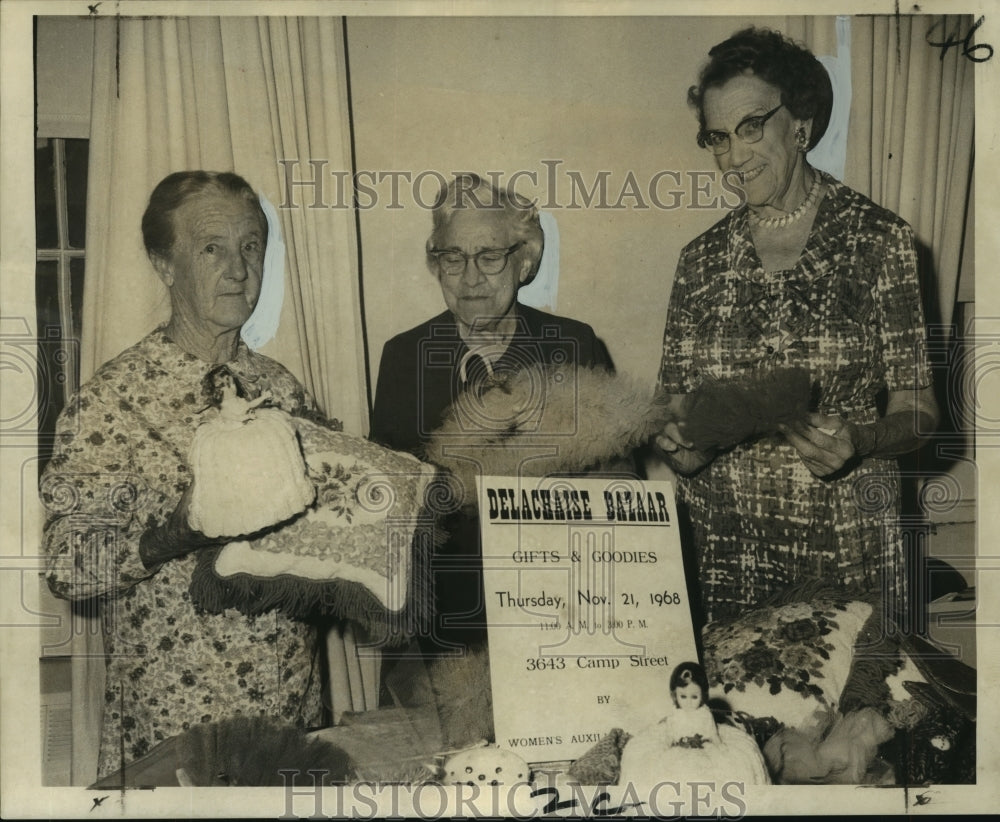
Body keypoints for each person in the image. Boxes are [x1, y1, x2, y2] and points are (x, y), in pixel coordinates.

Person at [40, 171, 325, 779]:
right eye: (211, 248)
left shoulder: (283, 390)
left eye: (251, 246)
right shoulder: (112, 402)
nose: (238, 269)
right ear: (165, 265)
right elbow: (67, 566)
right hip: (176, 723)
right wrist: (172, 535)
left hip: (289, 708)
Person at [656, 28, 939, 626]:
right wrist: (681, 447)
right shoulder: (700, 261)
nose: (733, 158)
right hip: (725, 552)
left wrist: (860, 441)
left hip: (847, 546)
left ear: (801, 123)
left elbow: (920, 413)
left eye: (752, 127)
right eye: (718, 138)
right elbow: (679, 418)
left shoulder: (879, 241)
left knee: (852, 715)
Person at [370, 173, 613, 652]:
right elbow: (387, 512)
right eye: (453, 258)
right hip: (444, 620)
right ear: (436, 265)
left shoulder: (575, 346)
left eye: (489, 256)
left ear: (523, 262)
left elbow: (611, 499)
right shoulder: (404, 356)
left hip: (560, 612)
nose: (471, 278)